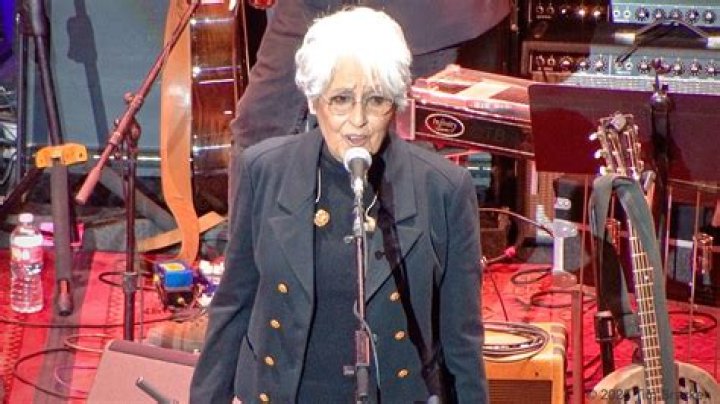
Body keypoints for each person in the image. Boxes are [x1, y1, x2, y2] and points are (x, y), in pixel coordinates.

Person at [190, 7, 487, 403]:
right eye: (341, 100)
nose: (358, 121)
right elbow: (233, 305)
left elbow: (462, 342)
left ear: (396, 103)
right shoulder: (263, 169)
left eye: (376, 100)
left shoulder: (444, 188)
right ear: (314, 101)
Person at [229, 0, 511, 198]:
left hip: (419, 12)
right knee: (258, 124)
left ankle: (407, 262)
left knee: (405, 150)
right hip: (312, 4)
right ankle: (247, 257)